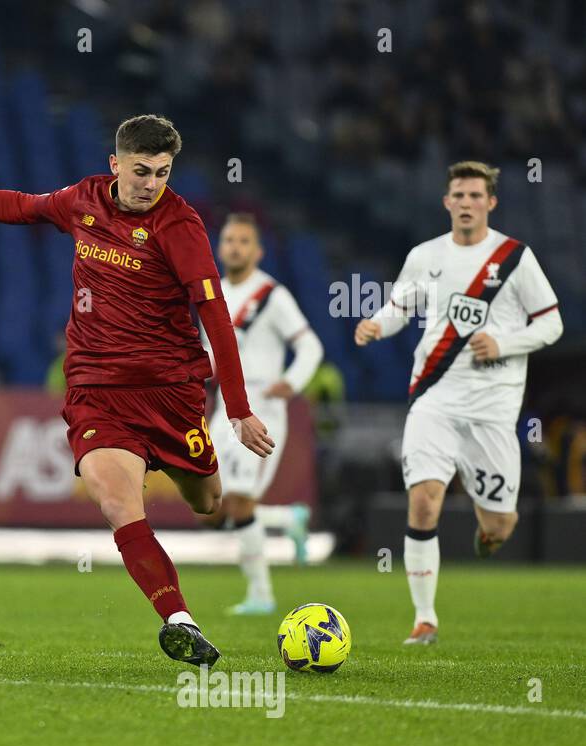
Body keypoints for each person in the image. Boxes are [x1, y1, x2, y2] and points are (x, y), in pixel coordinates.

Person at [0, 113, 273, 667]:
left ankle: (167, 471)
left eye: (163, 173)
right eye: (141, 171)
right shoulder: (83, 200)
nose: (151, 184)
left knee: (207, 501)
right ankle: (179, 620)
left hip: (170, 391)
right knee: (119, 502)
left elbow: (215, 316)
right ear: (114, 165)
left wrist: (236, 409)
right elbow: (22, 206)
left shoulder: (179, 227)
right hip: (97, 388)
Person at [355, 161, 562, 645]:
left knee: (500, 523)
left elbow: (551, 323)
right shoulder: (425, 255)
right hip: (434, 398)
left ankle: (491, 526)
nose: (467, 203)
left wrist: (504, 343)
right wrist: (375, 325)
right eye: (459, 195)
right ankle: (424, 618)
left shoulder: (514, 258)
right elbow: (399, 308)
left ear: (491, 202)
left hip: (492, 410)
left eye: (476, 196)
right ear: (447, 202)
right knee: (424, 501)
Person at [198, 213, 323, 613]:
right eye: (229, 240)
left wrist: (292, 381)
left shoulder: (272, 295)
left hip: (261, 407)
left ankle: (261, 596)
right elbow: (209, 357)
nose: (235, 247)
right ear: (220, 247)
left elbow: (310, 346)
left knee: (239, 504)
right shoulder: (211, 293)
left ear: (258, 251)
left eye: (243, 241)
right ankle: (288, 521)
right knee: (210, 508)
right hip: (224, 410)